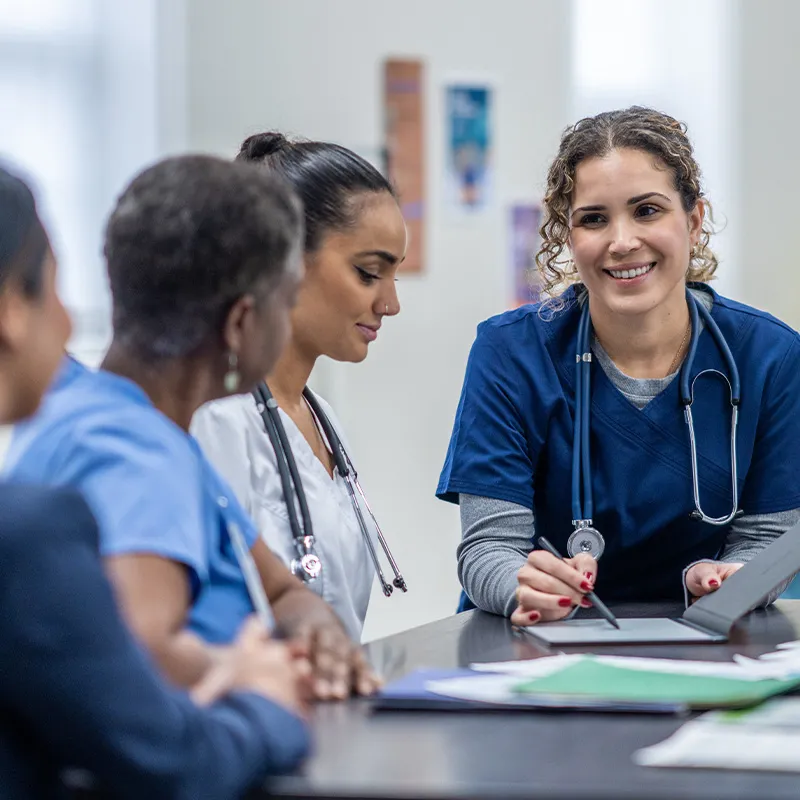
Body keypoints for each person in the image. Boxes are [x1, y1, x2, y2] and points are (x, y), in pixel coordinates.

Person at [5, 154, 377, 700]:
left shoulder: (127, 424)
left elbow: (281, 590)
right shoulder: (133, 452)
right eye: (287, 299)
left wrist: (317, 631)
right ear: (241, 324)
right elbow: (137, 661)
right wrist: (258, 671)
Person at [0, 163, 310, 799]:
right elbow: (159, 734)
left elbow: (279, 587)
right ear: (11, 309)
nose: (65, 323)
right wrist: (259, 686)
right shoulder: (112, 463)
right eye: (53, 293)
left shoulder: (138, 433)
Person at [436, 107, 800, 625]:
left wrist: (732, 578)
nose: (622, 241)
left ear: (693, 220)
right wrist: (526, 588)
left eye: (647, 210)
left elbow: (770, 536)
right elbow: (489, 547)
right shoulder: (510, 352)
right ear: (568, 234)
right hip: (537, 651)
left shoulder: (771, 356)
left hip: (712, 642)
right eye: (593, 218)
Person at [191, 133, 407, 640]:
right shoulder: (218, 415)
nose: (390, 303)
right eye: (369, 272)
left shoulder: (322, 419)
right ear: (281, 260)